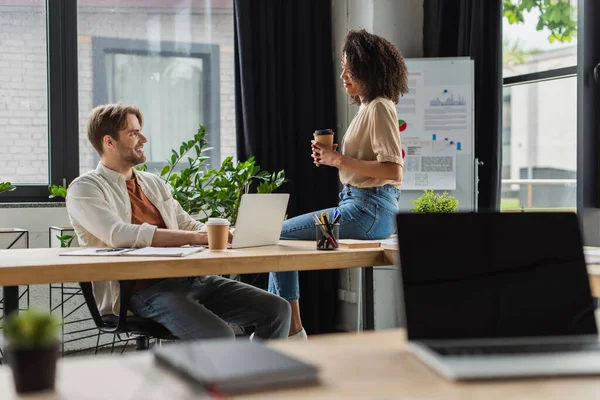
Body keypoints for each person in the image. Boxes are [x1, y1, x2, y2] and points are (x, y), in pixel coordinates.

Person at [66, 103, 291, 341]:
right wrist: (199, 238)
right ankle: (224, 377)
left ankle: (259, 375)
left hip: (192, 278)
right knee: (219, 336)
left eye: (140, 130)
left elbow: (187, 224)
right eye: (133, 133)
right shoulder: (85, 188)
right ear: (108, 142)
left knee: (276, 310)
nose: (143, 139)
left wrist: (226, 232)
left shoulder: (153, 183)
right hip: (144, 291)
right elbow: (118, 234)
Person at [268, 29, 408, 339]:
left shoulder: (380, 107)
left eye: (350, 67)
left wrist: (337, 160)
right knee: (285, 242)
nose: (343, 75)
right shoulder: (367, 108)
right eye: (343, 66)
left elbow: (393, 171)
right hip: (361, 210)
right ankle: (282, 332)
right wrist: (334, 157)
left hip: (366, 212)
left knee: (277, 236)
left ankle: (290, 332)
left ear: (369, 69)